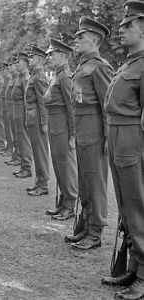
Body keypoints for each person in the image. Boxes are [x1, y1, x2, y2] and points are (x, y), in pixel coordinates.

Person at [101, 1, 144, 299]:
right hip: (117, 134)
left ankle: (142, 278)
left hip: (132, 137)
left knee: (138, 206)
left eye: (127, 25)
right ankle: (134, 267)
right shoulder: (129, 63)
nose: (121, 30)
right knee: (126, 209)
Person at [64, 17, 113, 250]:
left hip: (94, 129)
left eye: (80, 37)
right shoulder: (82, 66)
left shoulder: (100, 66)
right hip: (82, 127)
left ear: (94, 40)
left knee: (95, 183)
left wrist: (107, 136)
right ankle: (85, 226)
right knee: (84, 182)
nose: (76, 40)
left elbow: (107, 104)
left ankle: (96, 232)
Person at [44, 39, 78, 220]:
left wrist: (73, 135)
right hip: (54, 124)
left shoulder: (65, 76)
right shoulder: (57, 75)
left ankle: (70, 205)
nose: (49, 57)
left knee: (66, 166)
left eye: (52, 55)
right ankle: (63, 202)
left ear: (63, 56)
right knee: (58, 165)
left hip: (62, 126)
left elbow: (71, 107)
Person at [24, 45, 50, 196]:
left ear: (40, 59)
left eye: (32, 57)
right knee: (36, 151)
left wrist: (44, 122)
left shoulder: (39, 77)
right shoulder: (34, 75)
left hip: (38, 119)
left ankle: (43, 184)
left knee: (40, 152)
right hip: (32, 119)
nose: (29, 59)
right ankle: (39, 181)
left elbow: (43, 101)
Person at [11, 52, 33, 178]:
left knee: (24, 141)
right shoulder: (20, 77)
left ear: (25, 63)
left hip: (22, 113)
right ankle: (23, 165)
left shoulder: (25, 78)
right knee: (20, 140)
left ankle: (27, 167)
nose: (16, 64)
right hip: (17, 112)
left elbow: (27, 98)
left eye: (18, 62)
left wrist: (26, 116)